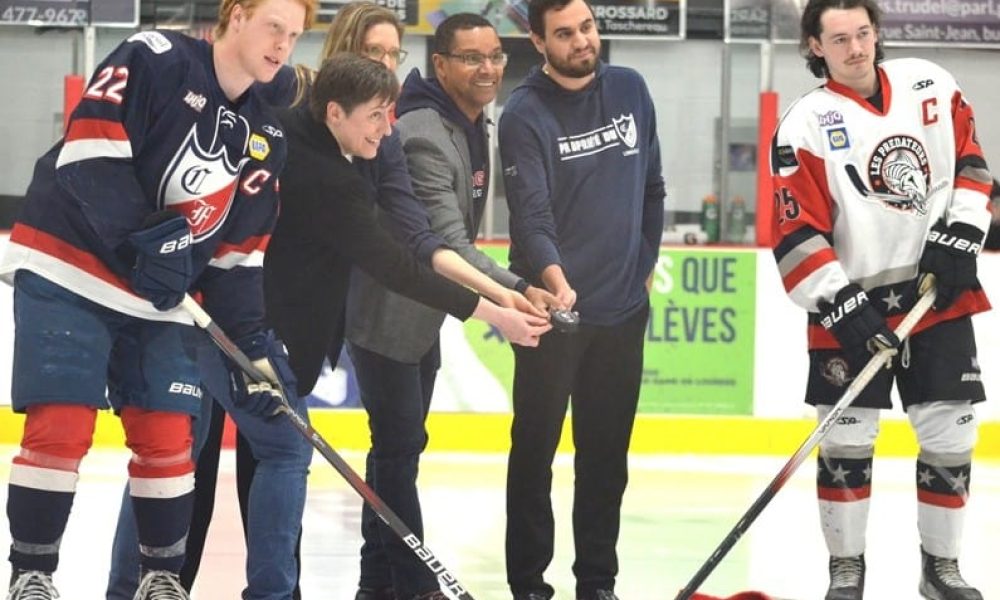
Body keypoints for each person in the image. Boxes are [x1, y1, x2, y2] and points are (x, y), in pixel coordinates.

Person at [105, 16, 551, 600]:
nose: (385, 129)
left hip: (257, 328)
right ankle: (184, 588)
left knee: (236, 456)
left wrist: (502, 292)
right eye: (374, 114)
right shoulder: (317, 165)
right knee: (210, 453)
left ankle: (189, 588)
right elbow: (392, 261)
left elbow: (417, 238)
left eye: (394, 57)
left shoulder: (349, 145)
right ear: (335, 109)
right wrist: (491, 312)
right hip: (229, 326)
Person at [0, 0, 316, 597]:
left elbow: (237, 253)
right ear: (236, 15)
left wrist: (251, 349)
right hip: (71, 270)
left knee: (170, 435)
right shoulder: (156, 57)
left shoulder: (266, 133)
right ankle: (32, 573)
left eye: (295, 35)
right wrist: (155, 241)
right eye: (274, 26)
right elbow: (91, 150)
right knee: (63, 423)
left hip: (159, 296)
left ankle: (160, 578)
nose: (283, 45)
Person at [770, 0, 992, 598]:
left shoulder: (932, 85)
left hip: (935, 294)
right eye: (839, 39)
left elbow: (972, 161)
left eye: (864, 33)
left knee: (951, 435)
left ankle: (940, 568)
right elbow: (794, 231)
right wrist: (840, 302)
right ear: (815, 46)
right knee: (846, 440)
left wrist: (964, 231)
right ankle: (847, 569)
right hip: (853, 307)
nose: (856, 48)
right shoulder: (805, 123)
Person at [344, 13, 558, 600]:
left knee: (398, 450)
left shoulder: (468, 122)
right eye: (471, 57)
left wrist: (517, 286)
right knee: (398, 449)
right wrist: (514, 290)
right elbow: (447, 242)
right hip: (386, 317)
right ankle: (413, 586)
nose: (487, 68)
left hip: (421, 319)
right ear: (440, 65)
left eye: (494, 56)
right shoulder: (421, 131)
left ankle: (376, 584)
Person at [496, 0, 665, 597]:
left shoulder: (630, 89)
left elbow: (653, 187)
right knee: (535, 451)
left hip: (622, 314)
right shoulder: (523, 113)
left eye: (586, 27)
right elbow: (532, 216)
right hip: (553, 313)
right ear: (539, 43)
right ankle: (528, 585)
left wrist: (643, 267)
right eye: (564, 34)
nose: (580, 41)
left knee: (604, 459)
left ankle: (597, 582)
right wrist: (555, 275)